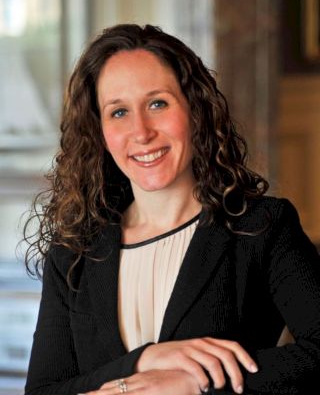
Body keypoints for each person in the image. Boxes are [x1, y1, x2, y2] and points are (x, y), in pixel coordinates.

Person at [23, 24, 320, 395]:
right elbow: (43, 390)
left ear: (195, 109)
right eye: (118, 112)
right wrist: (142, 362)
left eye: (157, 104)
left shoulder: (261, 227)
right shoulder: (73, 251)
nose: (141, 132)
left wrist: (197, 383)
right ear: (98, 131)